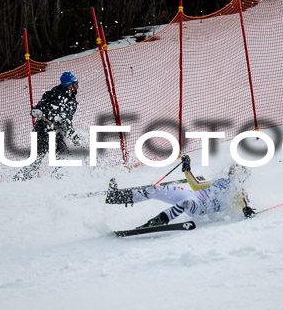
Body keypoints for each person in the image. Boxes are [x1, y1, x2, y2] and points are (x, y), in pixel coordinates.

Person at [105, 154, 256, 228]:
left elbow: (245, 203)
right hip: (193, 194)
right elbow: (196, 185)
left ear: (241, 177)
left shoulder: (240, 191)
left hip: (200, 206)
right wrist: (187, 169)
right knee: (156, 189)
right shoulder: (220, 181)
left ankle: (154, 223)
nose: (232, 174)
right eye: (232, 171)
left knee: (187, 202)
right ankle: (115, 196)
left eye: (236, 173)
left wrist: (247, 209)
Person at [13, 71, 81, 180]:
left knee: (63, 159)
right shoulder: (54, 95)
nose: (78, 85)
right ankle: (19, 181)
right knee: (35, 158)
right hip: (42, 131)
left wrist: (73, 136)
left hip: (56, 134)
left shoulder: (71, 100)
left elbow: (66, 122)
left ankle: (59, 181)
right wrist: (36, 110)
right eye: (76, 83)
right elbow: (39, 108)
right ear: (69, 85)